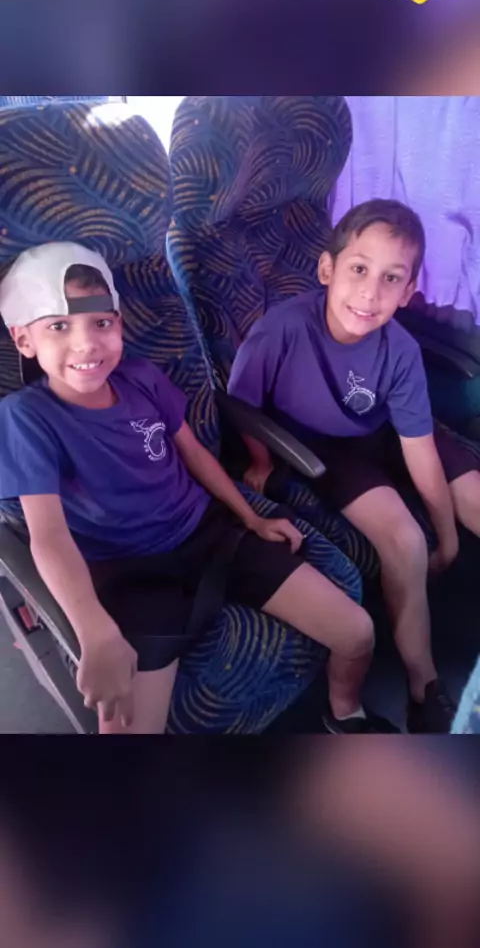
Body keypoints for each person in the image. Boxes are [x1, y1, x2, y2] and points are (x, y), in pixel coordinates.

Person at [0, 241, 396, 735]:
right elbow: (49, 535)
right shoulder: (27, 418)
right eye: (59, 327)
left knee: (357, 631)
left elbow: (193, 453)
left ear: (119, 323)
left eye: (100, 322)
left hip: (209, 533)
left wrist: (251, 517)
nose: (86, 345)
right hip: (130, 572)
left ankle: (345, 715)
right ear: (23, 340)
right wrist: (93, 628)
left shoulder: (142, 378)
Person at [228, 199, 480, 733]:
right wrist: (261, 460)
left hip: (386, 427)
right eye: (359, 269)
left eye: (392, 278)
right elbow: (240, 406)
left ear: (408, 292)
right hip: (330, 448)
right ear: (328, 269)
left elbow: (418, 449)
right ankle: (424, 686)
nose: (371, 293)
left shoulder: (400, 350)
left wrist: (449, 538)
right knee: (405, 541)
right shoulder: (281, 330)